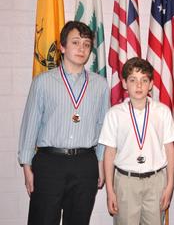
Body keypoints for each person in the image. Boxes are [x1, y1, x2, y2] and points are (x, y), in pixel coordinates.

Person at [18, 21, 110, 225]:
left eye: (86, 44)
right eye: (75, 42)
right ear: (62, 46)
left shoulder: (100, 85)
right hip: (50, 163)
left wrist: (100, 163)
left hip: (85, 163)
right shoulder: (43, 81)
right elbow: (30, 124)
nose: (81, 48)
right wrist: (26, 165)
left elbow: (103, 128)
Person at [99, 57, 174, 225]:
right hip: (126, 182)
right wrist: (110, 191)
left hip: (156, 181)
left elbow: (170, 149)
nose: (139, 85)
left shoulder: (162, 112)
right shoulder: (114, 114)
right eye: (133, 80)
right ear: (125, 83)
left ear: (151, 84)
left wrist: (170, 184)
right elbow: (109, 153)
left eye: (144, 80)